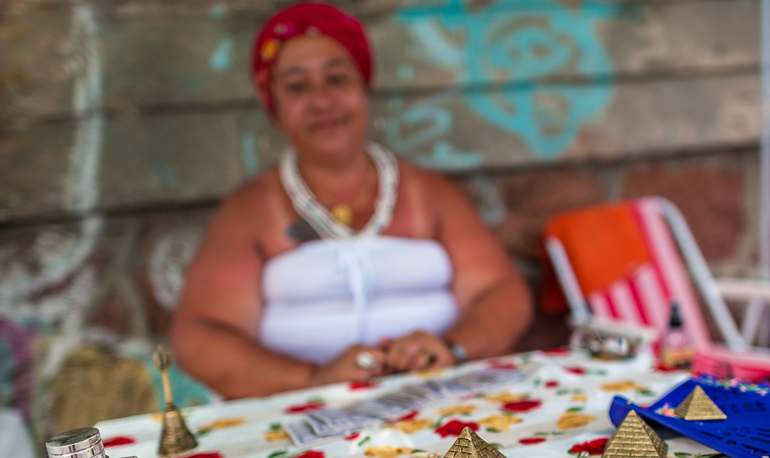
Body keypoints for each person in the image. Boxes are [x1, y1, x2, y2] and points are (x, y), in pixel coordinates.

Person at [170, 3, 532, 399]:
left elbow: (503, 292)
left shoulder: (429, 192)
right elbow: (200, 335)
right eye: (297, 86)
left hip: (442, 399)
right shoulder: (249, 211)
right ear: (273, 105)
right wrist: (313, 379)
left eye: (337, 79)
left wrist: (452, 348)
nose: (322, 100)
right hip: (307, 416)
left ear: (363, 88)